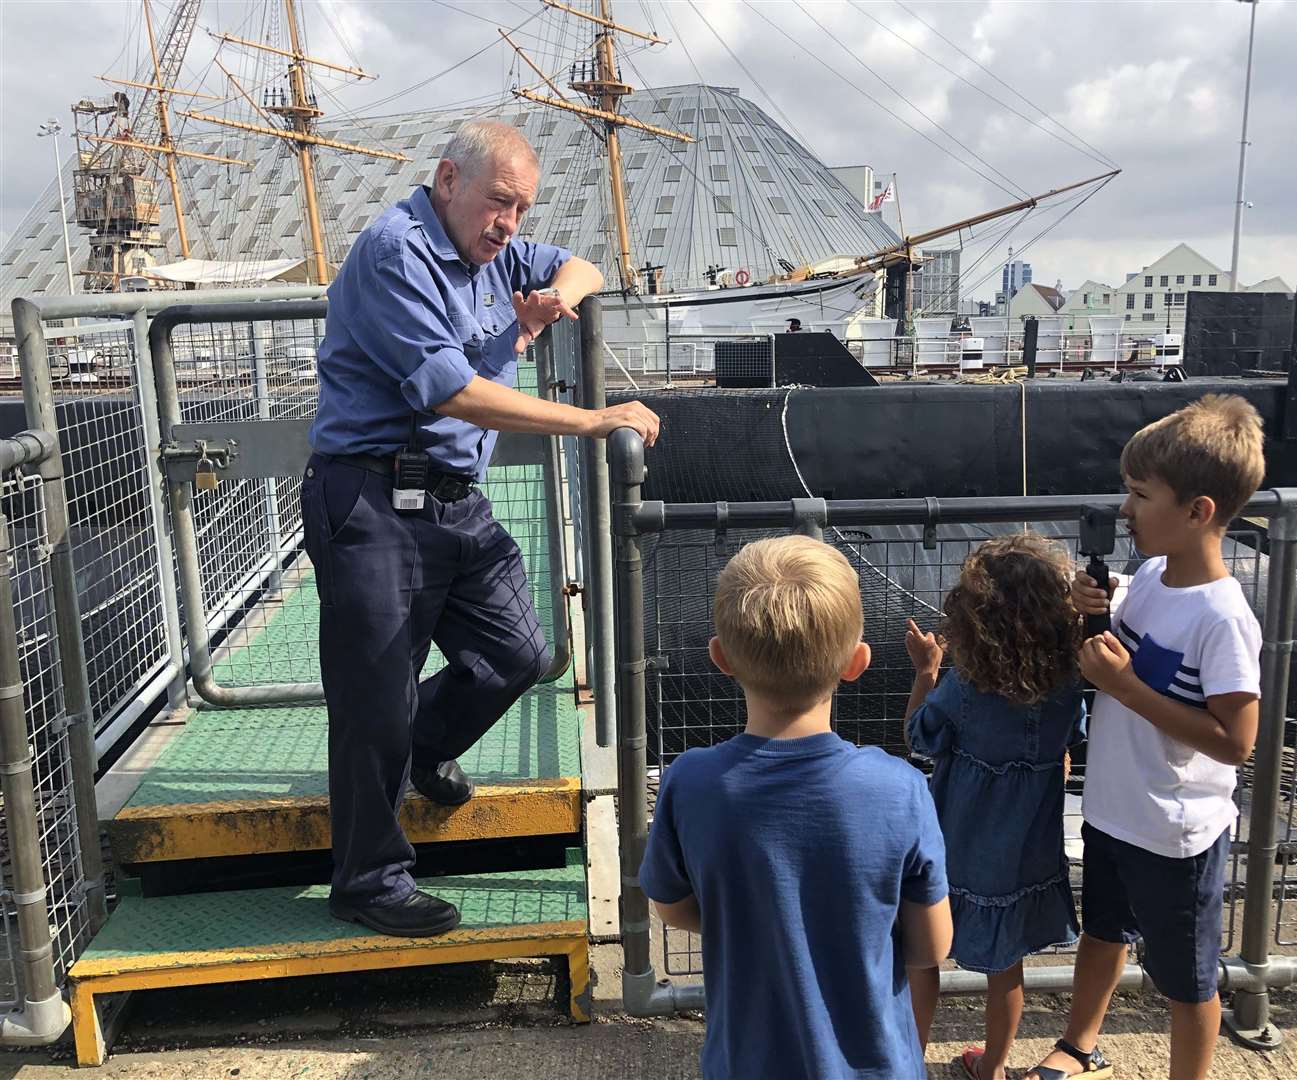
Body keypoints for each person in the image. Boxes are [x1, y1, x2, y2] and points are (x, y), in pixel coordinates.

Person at [303, 119, 660, 937]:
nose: (509, 224)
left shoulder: (493, 251)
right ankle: (368, 880)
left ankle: (425, 749)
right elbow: (450, 391)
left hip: (455, 498)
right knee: (374, 697)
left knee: (519, 653)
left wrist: (557, 299)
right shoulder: (396, 249)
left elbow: (586, 264)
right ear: (448, 180)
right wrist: (591, 419)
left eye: (521, 209)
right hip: (369, 496)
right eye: (500, 202)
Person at [639, 536, 953, 1079]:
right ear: (858, 663)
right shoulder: (900, 788)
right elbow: (931, 946)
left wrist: (752, 912)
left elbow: (672, 907)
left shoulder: (690, 782)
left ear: (720, 657)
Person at [1025, 394, 1265, 1080]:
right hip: (1114, 809)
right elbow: (1107, 645)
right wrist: (1091, 611)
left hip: (1175, 831)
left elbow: (1234, 742)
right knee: (1103, 932)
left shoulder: (1222, 620)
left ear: (1198, 512)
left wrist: (1129, 690)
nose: (1125, 508)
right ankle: (1080, 1042)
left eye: (1139, 494)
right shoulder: (1153, 577)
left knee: (1186, 979)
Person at [903, 534, 1086, 1080]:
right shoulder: (1067, 689)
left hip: (955, 847)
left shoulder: (962, 690)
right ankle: (996, 1066)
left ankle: (906, 1060)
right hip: (1025, 855)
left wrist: (925, 671)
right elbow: (1067, 747)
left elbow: (918, 737)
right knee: (1007, 970)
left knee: (921, 956)